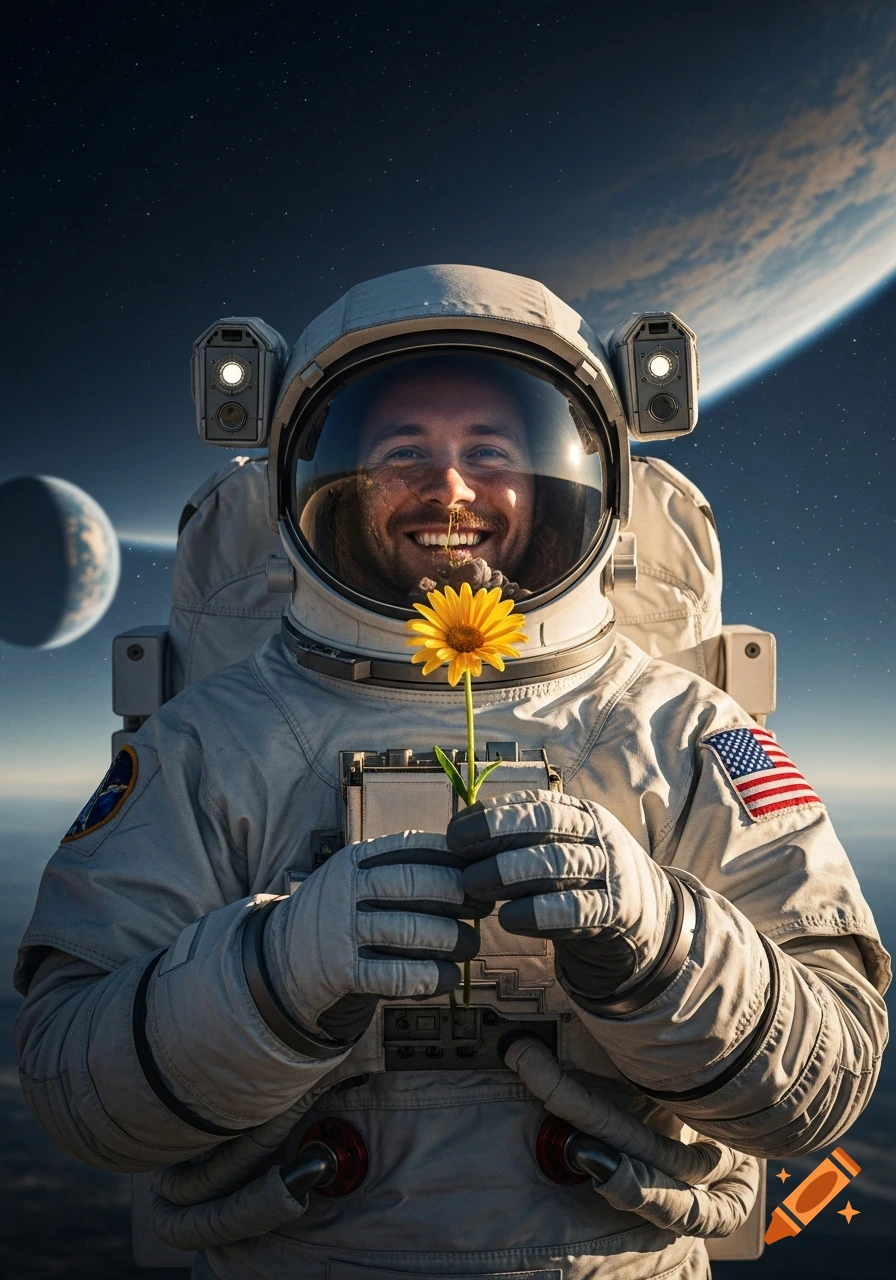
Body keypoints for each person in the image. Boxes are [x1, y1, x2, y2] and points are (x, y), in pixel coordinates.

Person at [14, 264, 889, 1280]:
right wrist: (272, 972)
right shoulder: (211, 740)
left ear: (576, 476)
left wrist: (658, 941)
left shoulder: (686, 727)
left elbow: (823, 1082)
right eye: (400, 452)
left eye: (491, 450)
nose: (451, 487)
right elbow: (75, 1084)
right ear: (321, 483)